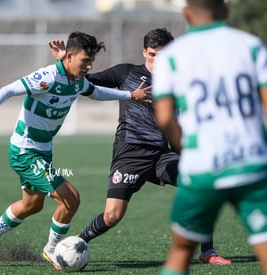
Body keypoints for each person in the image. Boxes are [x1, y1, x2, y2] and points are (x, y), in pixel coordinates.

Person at [49, 28, 230, 264]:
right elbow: (85, 82)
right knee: (112, 216)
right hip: (130, 153)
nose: (157, 60)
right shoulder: (127, 72)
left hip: (160, 154)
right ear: (144, 51)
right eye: (153, 54)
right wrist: (65, 62)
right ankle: (73, 247)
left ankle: (208, 252)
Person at [0, 31, 151, 270]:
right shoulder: (46, 77)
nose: (88, 66)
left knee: (31, 205)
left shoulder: (77, 80)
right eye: (84, 61)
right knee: (71, 199)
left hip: (43, 151)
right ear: (69, 56)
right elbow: (7, 89)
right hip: (25, 152)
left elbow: (97, 92)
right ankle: (51, 250)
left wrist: (130, 95)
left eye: (90, 62)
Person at [153, 0, 267, 274]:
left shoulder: (171, 56)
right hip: (250, 161)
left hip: (202, 165)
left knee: (181, 251)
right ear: (225, 12)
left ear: (187, 14)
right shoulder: (251, 45)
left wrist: (184, 146)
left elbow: (165, 118)